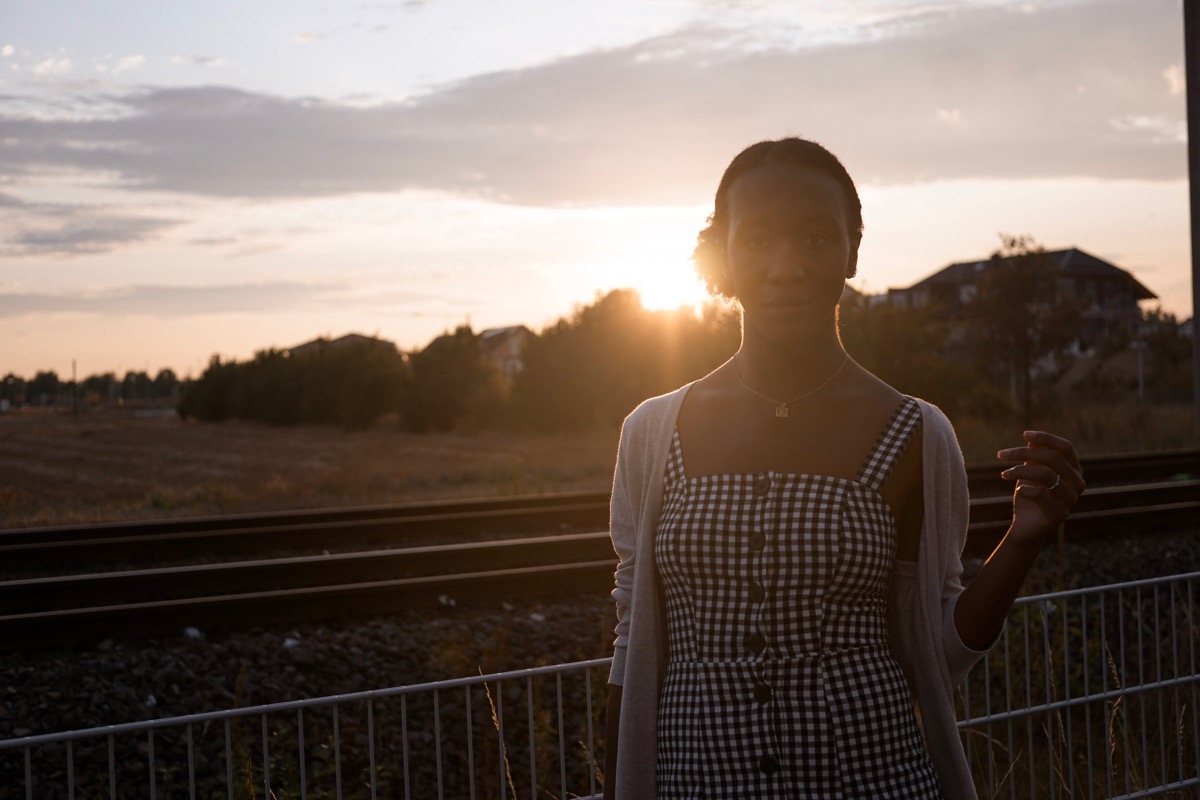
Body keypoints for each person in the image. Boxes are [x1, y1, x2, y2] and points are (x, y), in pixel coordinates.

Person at [603, 137, 1084, 800]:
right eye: (758, 239)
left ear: (852, 251)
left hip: (873, 781)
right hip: (697, 783)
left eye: (815, 238)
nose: (785, 266)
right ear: (725, 253)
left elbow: (938, 653)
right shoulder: (652, 434)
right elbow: (631, 645)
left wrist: (1021, 541)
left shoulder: (916, 432)